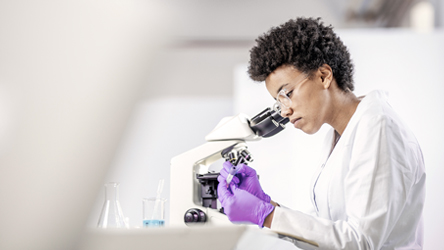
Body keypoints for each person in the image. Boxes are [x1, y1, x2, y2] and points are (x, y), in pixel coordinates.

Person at [217, 17, 425, 249]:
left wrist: (266, 215)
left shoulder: (378, 127)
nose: (285, 111)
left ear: (324, 75)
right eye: (278, 102)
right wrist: (268, 206)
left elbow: (361, 242)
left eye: (286, 94)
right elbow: (325, 233)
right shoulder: (337, 136)